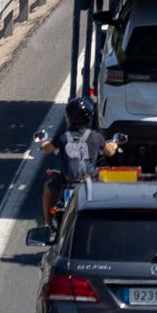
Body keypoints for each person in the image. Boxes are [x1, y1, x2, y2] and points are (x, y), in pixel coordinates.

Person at [39, 97, 119, 226]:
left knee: (48, 188)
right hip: (90, 181)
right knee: (109, 194)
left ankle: (47, 223)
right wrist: (114, 145)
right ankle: (107, 223)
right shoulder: (95, 136)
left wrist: (44, 144)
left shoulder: (63, 137)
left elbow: (48, 149)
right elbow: (109, 152)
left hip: (66, 181)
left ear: (69, 117)